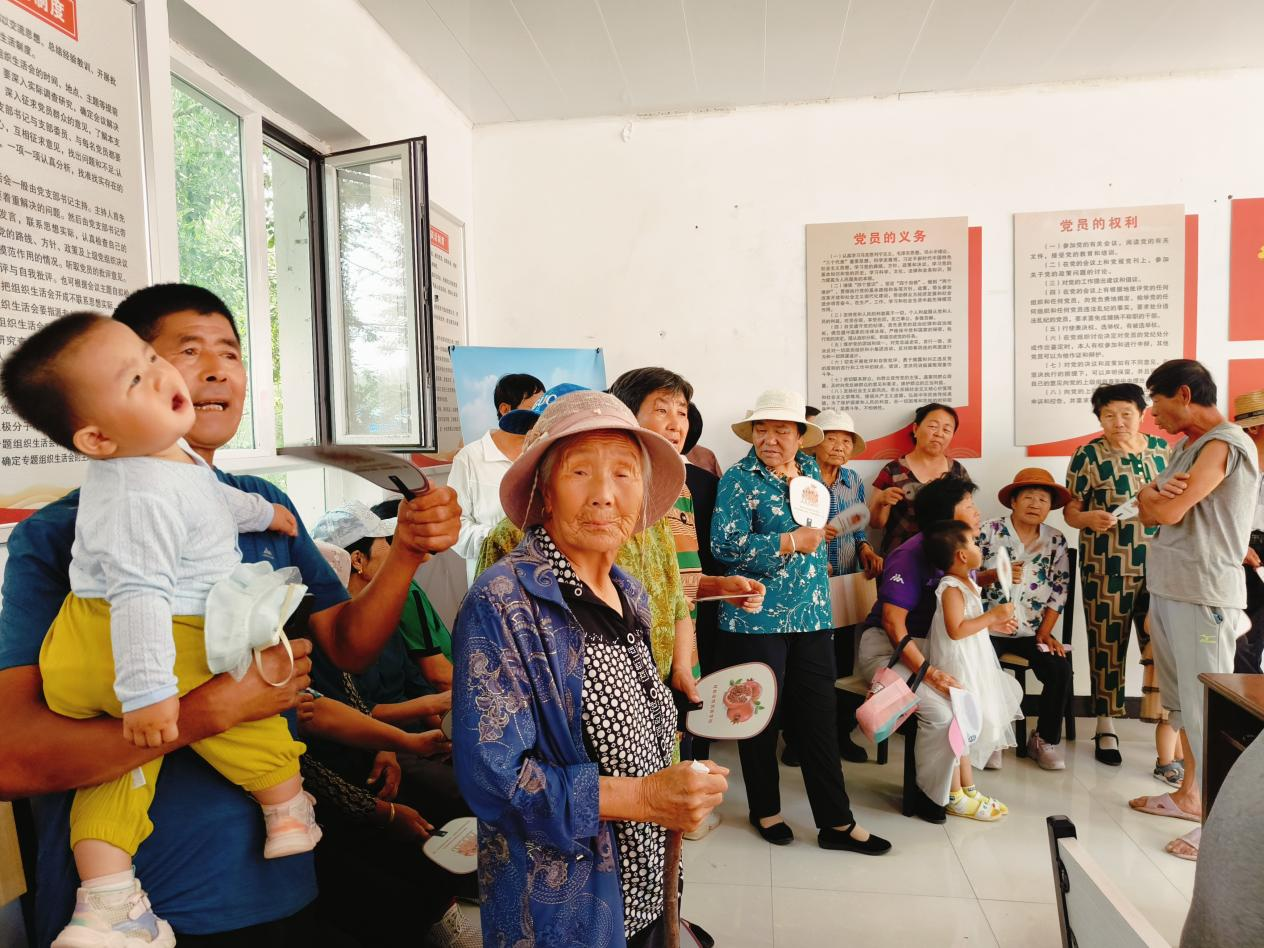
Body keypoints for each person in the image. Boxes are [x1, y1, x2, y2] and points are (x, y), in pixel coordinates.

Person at [0, 283, 461, 945]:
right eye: (185, 351)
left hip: (276, 878)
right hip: (139, 902)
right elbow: (13, 759)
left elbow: (346, 647)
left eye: (231, 352)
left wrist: (408, 552)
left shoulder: (260, 505)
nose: (216, 369)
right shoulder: (68, 535)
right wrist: (215, 708)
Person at [0, 313, 322, 946]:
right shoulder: (132, 500)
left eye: (151, 361)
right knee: (243, 720)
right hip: (144, 648)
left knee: (118, 778)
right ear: (96, 437)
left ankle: (108, 901)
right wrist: (165, 697)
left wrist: (268, 513)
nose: (177, 375)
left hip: (260, 892)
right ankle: (285, 806)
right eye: (140, 374)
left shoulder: (178, 469)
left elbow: (214, 499)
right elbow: (139, 594)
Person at [452, 390, 729, 946]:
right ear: (544, 493)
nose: (604, 493)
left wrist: (676, 790)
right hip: (565, 907)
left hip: (645, 885)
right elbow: (494, 782)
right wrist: (646, 798)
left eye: (624, 473)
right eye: (580, 471)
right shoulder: (503, 603)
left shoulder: (629, 592)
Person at [711, 389, 890, 856]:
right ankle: (765, 810)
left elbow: (819, 529)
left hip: (811, 615)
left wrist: (816, 534)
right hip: (755, 619)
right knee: (758, 718)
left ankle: (836, 822)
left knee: (818, 719)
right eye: (762, 430)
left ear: (799, 436)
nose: (769, 439)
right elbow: (724, 549)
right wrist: (789, 541)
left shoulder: (810, 472)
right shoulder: (737, 479)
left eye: (781, 431)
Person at [608, 368, 765, 839]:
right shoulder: (616, 487)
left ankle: (665, 835)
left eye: (681, 411)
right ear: (625, 414)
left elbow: (675, 581)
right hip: (627, 653)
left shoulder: (679, 485)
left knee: (670, 745)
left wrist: (720, 587)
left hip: (678, 644)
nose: (676, 422)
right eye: (662, 409)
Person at [1130, 359, 1260, 862]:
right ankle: (1189, 796)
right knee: (1183, 704)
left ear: (1184, 394)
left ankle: (1217, 826)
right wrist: (1147, 493)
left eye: (1156, 402)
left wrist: (1150, 498)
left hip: (1204, 593)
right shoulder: (1185, 447)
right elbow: (1148, 505)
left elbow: (1164, 511)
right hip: (1170, 587)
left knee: (1207, 709)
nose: (1153, 415)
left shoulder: (1225, 443)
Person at [856, 475, 1006, 823]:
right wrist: (929, 673)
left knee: (964, 700)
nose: (977, 512)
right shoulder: (908, 555)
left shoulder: (957, 551)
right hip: (888, 650)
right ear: (946, 514)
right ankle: (934, 796)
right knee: (942, 711)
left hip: (931, 648)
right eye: (968, 505)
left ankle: (960, 789)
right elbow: (893, 624)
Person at [1063, 383, 1173, 770]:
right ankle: (1105, 724)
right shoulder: (1088, 455)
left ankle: (1168, 730)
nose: (1118, 422)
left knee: (1162, 645)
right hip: (1106, 564)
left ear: (1142, 414)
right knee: (1106, 644)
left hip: (1161, 564)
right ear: (1099, 419)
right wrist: (1087, 519)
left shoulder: (1162, 451)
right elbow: (1070, 511)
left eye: (1126, 413)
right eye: (1108, 415)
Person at [923, 521, 1021, 820]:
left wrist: (994, 624)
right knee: (958, 728)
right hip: (957, 664)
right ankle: (954, 794)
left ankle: (968, 788)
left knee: (966, 727)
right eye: (974, 543)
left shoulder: (968, 583)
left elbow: (970, 624)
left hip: (973, 660)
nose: (980, 548)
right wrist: (992, 615)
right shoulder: (951, 587)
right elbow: (955, 630)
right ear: (962, 555)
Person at [977, 468, 1074, 770]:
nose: (1035, 504)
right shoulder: (987, 531)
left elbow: (1060, 588)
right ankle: (992, 737)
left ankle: (1043, 739)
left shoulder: (1055, 540)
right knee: (981, 668)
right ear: (1014, 501)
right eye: (1029, 497)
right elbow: (964, 577)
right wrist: (995, 575)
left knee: (1059, 669)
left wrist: (1045, 632)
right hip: (986, 626)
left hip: (1031, 630)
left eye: (1043, 499)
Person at [448, 373, 543, 586]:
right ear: (505, 409)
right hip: (491, 580)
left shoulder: (544, 453)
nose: (539, 416)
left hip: (542, 577)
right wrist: (499, 538)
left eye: (543, 408)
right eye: (534, 407)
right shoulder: (469, 458)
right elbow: (456, 526)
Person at [869, 403, 971, 556]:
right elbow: (875, 524)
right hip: (900, 557)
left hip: (945, 557)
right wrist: (880, 502)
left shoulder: (958, 472)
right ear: (915, 429)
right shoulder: (893, 470)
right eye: (933, 426)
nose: (939, 434)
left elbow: (966, 519)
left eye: (946, 430)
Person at [811, 409, 882, 579]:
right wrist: (815, 532)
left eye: (846, 441)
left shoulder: (853, 479)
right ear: (815, 443)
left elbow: (857, 527)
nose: (839, 447)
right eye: (831, 439)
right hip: (810, 575)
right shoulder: (801, 477)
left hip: (847, 575)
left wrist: (864, 548)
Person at [1231, 387, 1264, 674]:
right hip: (1234, 552)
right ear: (1254, 427)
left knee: (1255, 642)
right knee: (1237, 643)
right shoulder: (1229, 465)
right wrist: (1236, 546)